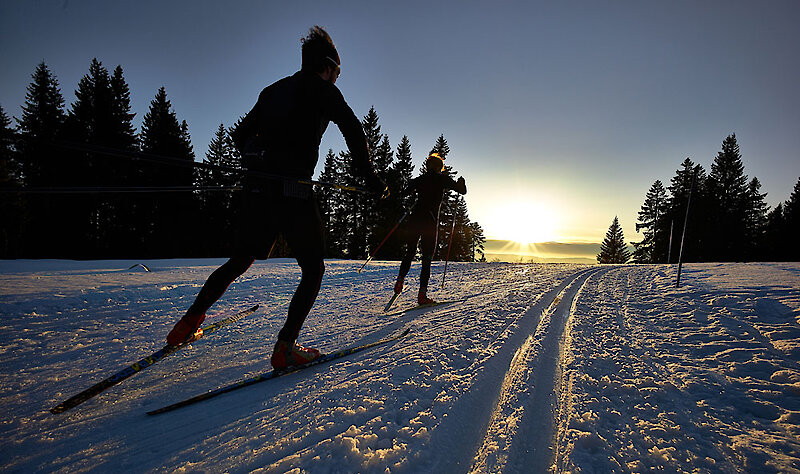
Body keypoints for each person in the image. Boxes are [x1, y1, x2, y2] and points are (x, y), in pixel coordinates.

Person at [166, 26, 387, 370]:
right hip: (293, 189)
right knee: (313, 269)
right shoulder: (325, 90)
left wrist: (256, 157)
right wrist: (371, 178)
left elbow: (241, 135)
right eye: (338, 71)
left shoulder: (273, 90)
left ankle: (187, 324)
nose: (336, 77)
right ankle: (285, 347)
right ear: (327, 66)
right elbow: (354, 132)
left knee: (240, 260)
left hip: (258, 187)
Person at [393, 152, 466, 305]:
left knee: (410, 252)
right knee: (426, 258)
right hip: (430, 223)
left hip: (414, 220)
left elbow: (404, 193)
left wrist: (410, 190)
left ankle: (399, 282)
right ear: (440, 167)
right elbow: (462, 191)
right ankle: (422, 295)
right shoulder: (442, 179)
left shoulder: (420, 179)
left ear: (427, 167)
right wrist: (461, 182)